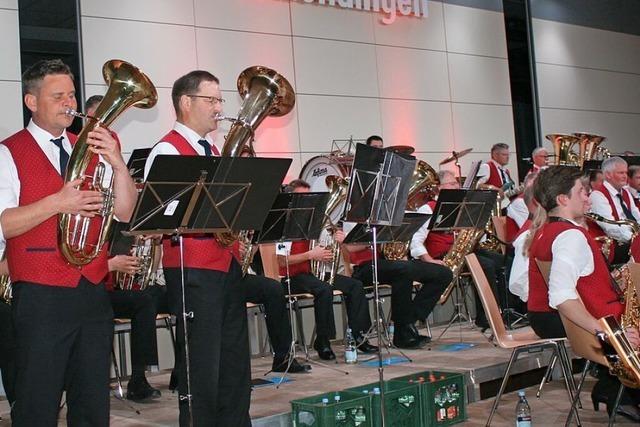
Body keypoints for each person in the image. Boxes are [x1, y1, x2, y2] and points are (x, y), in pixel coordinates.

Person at [0, 59, 137, 425]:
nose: (69, 103)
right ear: (32, 101)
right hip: (40, 293)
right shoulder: (8, 152)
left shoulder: (90, 147)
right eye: (58, 96)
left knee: (92, 400)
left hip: (91, 287)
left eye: (72, 95)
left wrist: (118, 163)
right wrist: (57, 202)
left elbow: (125, 212)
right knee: (37, 400)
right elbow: (5, 224)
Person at [144, 70, 250, 426]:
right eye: (212, 100)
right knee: (202, 365)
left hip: (225, 265)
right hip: (193, 270)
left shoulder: (214, 149)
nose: (219, 108)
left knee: (234, 361)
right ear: (186, 102)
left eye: (221, 100)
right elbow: (160, 214)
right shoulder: (167, 149)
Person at [525, 165, 640, 418]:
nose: (588, 197)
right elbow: (562, 297)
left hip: (546, 317)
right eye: (582, 192)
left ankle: (612, 389)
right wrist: (611, 333)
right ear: (563, 199)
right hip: (574, 321)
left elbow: (577, 283)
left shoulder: (546, 231)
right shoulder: (571, 237)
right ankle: (616, 388)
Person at [277, 179, 377, 360]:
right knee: (324, 289)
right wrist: (310, 255)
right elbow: (280, 261)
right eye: (303, 197)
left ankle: (359, 335)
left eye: (310, 197)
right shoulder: (283, 223)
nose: (308, 201)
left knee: (354, 285)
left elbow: (327, 250)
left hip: (310, 273)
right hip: (290, 277)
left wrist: (339, 242)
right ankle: (323, 340)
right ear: (291, 198)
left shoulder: (316, 222)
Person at [409, 170, 505, 331]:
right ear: (439, 187)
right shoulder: (428, 208)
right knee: (485, 265)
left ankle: (505, 310)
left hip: (463, 251)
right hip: (443, 254)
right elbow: (415, 239)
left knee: (502, 261)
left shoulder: (463, 206)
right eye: (452, 183)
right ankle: (487, 317)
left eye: (457, 183)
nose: (457, 186)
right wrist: (428, 260)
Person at [588, 157, 640, 264]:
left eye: (625, 172)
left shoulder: (625, 193)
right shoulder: (598, 195)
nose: (625, 176)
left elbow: (637, 216)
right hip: (614, 245)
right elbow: (610, 228)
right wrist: (634, 239)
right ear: (608, 175)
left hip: (630, 241)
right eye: (621, 173)